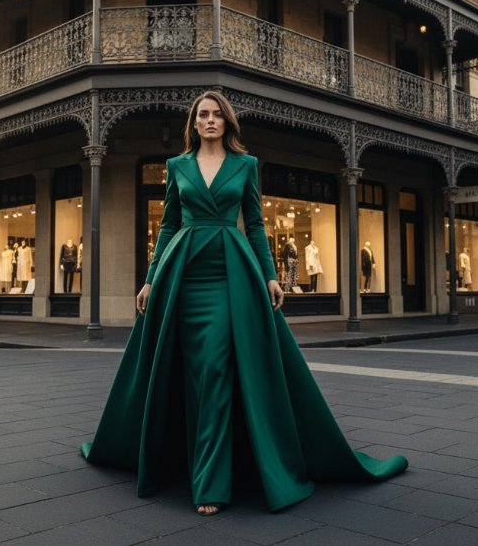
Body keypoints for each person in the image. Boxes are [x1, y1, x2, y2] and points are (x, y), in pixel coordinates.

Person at [80, 90, 407, 516]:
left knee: (215, 369)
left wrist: (270, 274)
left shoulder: (246, 165)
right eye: (203, 115)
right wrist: (151, 277)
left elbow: (254, 223)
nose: (210, 121)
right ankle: (183, 457)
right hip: (183, 272)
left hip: (229, 272)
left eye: (217, 115)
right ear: (194, 124)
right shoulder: (177, 166)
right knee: (188, 371)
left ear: (227, 123)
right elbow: (169, 224)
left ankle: (211, 481)